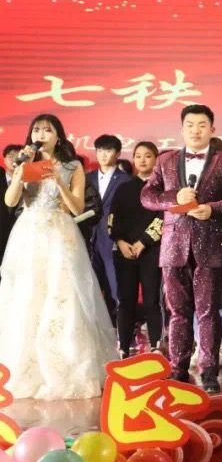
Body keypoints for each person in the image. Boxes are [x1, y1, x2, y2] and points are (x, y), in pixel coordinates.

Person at [0, 114, 118, 399]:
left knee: (63, 295)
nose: (41, 134)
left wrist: (58, 180)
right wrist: (20, 172)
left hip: (60, 235)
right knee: (27, 297)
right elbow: (10, 201)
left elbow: (77, 207)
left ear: (59, 136)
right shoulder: (25, 163)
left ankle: (67, 366)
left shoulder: (72, 166)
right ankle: (24, 369)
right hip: (28, 235)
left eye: (47, 130)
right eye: (36, 130)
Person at [142, 105, 222, 393]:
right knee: (177, 311)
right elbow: (148, 196)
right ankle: (178, 369)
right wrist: (173, 197)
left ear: (212, 129)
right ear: (181, 129)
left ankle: (209, 371)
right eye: (190, 125)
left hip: (211, 244)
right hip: (173, 246)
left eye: (202, 125)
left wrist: (212, 209)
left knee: (208, 311)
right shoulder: (165, 160)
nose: (196, 130)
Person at [109, 141, 164, 358]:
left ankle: (156, 345)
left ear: (156, 159)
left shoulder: (161, 189)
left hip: (151, 251)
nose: (142, 160)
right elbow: (112, 218)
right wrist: (121, 242)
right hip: (124, 251)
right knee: (125, 300)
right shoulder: (123, 188)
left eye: (148, 155)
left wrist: (144, 242)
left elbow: (164, 218)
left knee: (152, 300)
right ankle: (123, 346)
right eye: (138, 155)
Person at [86, 133, 131, 324]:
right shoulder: (86, 178)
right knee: (90, 285)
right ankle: (94, 326)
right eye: (100, 150)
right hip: (89, 237)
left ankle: (119, 326)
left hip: (113, 239)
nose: (104, 155)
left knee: (115, 286)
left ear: (118, 153)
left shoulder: (126, 180)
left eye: (109, 150)